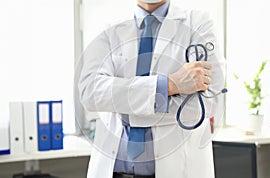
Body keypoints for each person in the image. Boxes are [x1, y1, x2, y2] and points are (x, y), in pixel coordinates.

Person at [78, 0, 225, 178]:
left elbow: (206, 104)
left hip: (178, 171)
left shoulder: (198, 22)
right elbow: (90, 93)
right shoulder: (108, 26)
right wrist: (170, 85)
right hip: (113, 171)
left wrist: (123, 105)